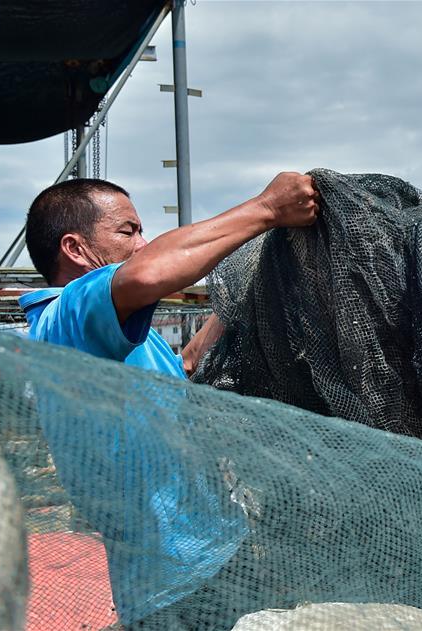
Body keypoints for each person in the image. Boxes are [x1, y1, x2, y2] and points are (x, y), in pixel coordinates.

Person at [18, 174, 319, 628]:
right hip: (175, 583)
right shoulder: (65, 317)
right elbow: (148, 272)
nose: (142, 243)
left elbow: (189, 365)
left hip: (218, 545)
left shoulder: (115, 331)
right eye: (127, 231)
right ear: (76, 249)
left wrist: (242, 296)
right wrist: (268, 208)